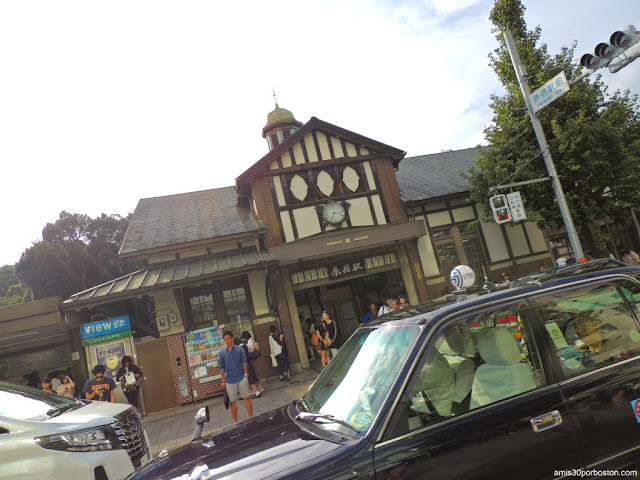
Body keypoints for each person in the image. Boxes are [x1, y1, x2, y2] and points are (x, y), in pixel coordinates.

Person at [219, 331, 253, 423]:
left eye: (228, 338)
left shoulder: (239, 349)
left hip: (241, 376)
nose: (227, 341)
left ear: (232, 338)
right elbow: (221, 367)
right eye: (225, 339)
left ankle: (251, 418)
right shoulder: (222, 353)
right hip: (229, 380)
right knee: (232, 401)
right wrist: (223, 380)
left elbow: (244, 362)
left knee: (247, 397)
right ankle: (236, 422)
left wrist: (246, 374)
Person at [240, 332, 263, 397]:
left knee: (255, 372)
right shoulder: (251, 340)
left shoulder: (250, 341)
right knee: (255, 372)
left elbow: (250, 348)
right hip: (253, 358)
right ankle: (258, 387)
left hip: (253, 358)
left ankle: (259, 387)